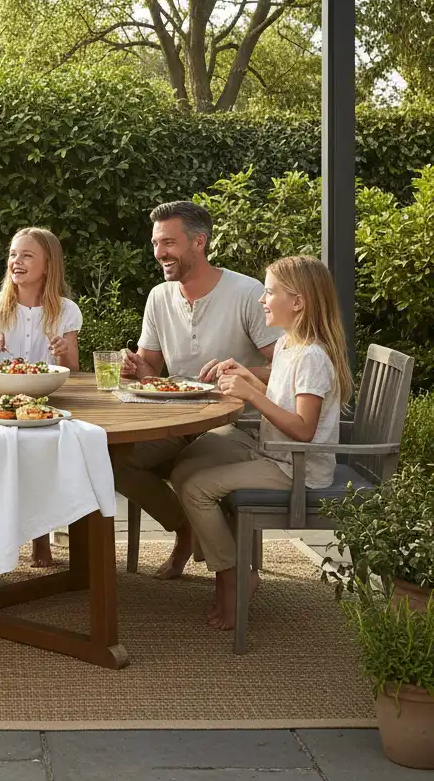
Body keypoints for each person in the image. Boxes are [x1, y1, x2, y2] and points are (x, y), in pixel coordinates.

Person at [171, 255, 352, 630]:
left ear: (298, 302)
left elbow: (303, 429)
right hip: (272, 451)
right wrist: (244, 374)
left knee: (195, 488)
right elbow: (280, 386)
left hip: (296, 467)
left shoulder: (314, 357)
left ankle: (233, 576)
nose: (261, 299)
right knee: (188, 461)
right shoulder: (290, 343)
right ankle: (228, 562)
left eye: (269, 292)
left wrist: (252, 396)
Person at [114, 201, 283, 580]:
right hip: (177, 418)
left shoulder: (246, 292)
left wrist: (239, 371)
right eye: (156, 244)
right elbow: (151, 369)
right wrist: (135, 367)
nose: (159, 253)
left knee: (192, 466)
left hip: (237, 423)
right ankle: (185, 529)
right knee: (112, 460)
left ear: (199, 242)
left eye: (169, 243)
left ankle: (229, 571)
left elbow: (285, 369)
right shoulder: (160, 297)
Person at [0, 227, 82, 567]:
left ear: (48, 265)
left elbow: (71, 370)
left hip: (44, 404)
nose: (16, 261)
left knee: (42, 451)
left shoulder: (65, 311)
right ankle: (16, 535)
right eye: (14, 254)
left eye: (27, 255)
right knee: (8, 453)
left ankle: (40, 536)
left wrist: (62, 351)